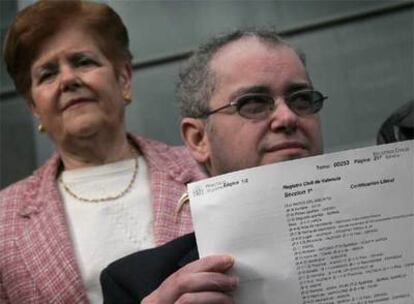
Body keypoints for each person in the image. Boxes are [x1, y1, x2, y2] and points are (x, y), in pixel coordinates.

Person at [0, 1, 205, 303]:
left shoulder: (204, 168)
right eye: (47, 74)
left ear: (123, 77)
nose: (68, 80)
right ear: (34, 106)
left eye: (83, 61)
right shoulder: (4, 220)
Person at [101, 29, 326, 303]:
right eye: (253, 103)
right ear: (198, 139)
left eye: (301, 98)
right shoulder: (138, 283)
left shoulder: (391, 227)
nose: (287, 117)